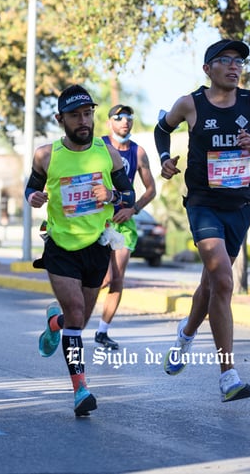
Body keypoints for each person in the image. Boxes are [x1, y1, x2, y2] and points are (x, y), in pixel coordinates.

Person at [155, 39, 250, 402]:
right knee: (224, 281)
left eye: (239, 61)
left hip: (240, 205)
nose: (234, 66)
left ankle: (185, 334)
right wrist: (165, 157)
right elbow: (162, 128)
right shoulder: (190, 104)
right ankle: (228, 375)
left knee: (211, 285)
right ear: (208, 69)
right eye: (225, 60)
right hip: (203, 204)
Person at [26, 85, 136, 417]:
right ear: (61, 119)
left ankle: (54, 323)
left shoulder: (108, 154)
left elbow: (129, 196)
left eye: (88, 113)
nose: (83, 120)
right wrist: (34, 196)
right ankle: (80, 390)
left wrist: (113, 198)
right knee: (77, 313)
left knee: (78, 320)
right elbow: (32, 186)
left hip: (97, 246)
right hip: (60, 246)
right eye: (75, 115)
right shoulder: (47, 155)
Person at [90, 104, 157, 349]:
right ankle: (71, 320)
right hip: (97, 219)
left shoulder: (138, 152)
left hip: (123, 222)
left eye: (129, 117)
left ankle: (102, 331)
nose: (125, 122)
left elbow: (151, 190)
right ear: (109, 122)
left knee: (116, 278)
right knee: (101, 277)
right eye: (119, 118)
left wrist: (133, 209)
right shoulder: (98, 146)